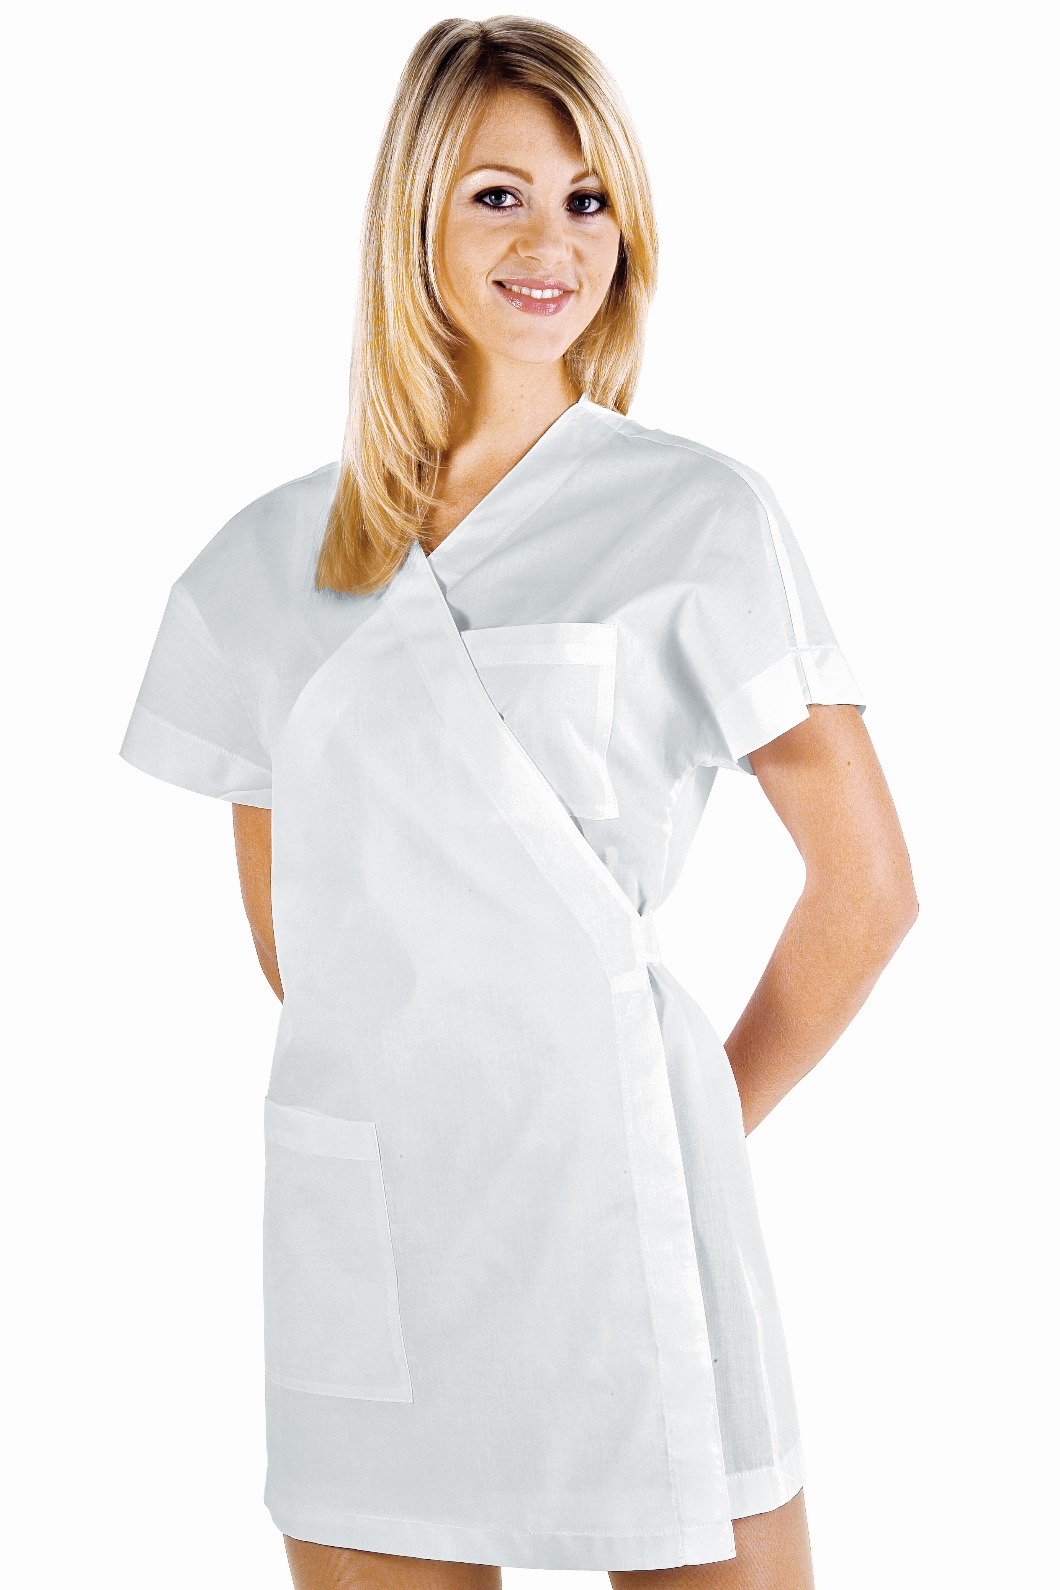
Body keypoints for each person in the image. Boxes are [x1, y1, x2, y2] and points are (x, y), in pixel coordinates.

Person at [119, 16, 918, 1590]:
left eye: (588, 200)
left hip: (629, 1204)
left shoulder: (696, 516)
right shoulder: (263, 569)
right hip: (374, 1228)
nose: (552, 243)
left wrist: (682, 1125)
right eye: (499, 195)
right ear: (412, 214)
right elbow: (302, 951)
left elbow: (869, 888)